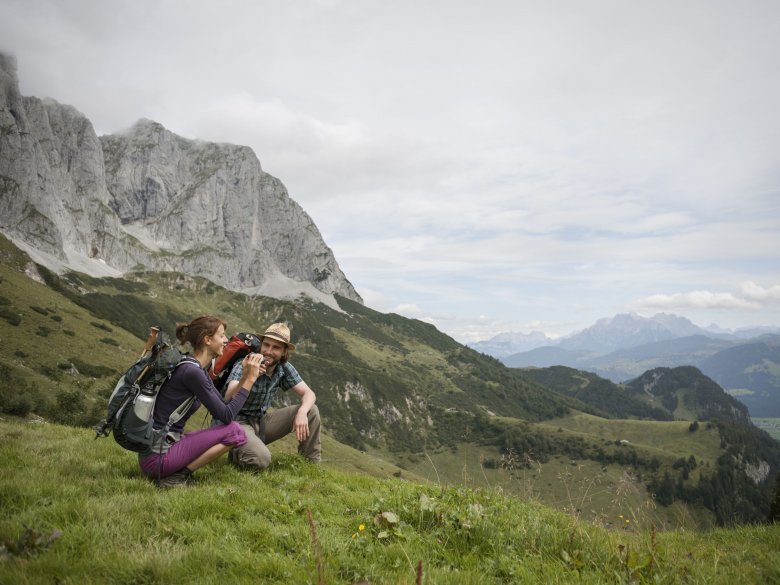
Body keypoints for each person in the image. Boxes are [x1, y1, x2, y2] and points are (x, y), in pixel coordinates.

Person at [138, 315, 264, 488]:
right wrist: (250, 380)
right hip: (158, 457)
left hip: (158, 448)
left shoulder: (194, 367)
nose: (226, 340)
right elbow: (227, 416)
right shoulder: (192, 372)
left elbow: (224, 403)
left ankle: (175, 472)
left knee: (232, 431)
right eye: (221, 336)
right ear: (207, 340)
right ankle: (177, 477)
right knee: (235, 431)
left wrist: (243, 377)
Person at [221, 322, 321, 471]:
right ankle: (238, 454)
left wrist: (301, 413)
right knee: (261, 460)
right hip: (236, 422)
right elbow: (229, 396)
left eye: (276, 348)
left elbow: (309, 394)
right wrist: (247, 376)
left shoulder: (283, 367)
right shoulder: (248, 362)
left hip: (260, 422)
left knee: (310, 410)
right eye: (266, 345)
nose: (268, 351)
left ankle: (311, 467)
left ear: (284, 352)